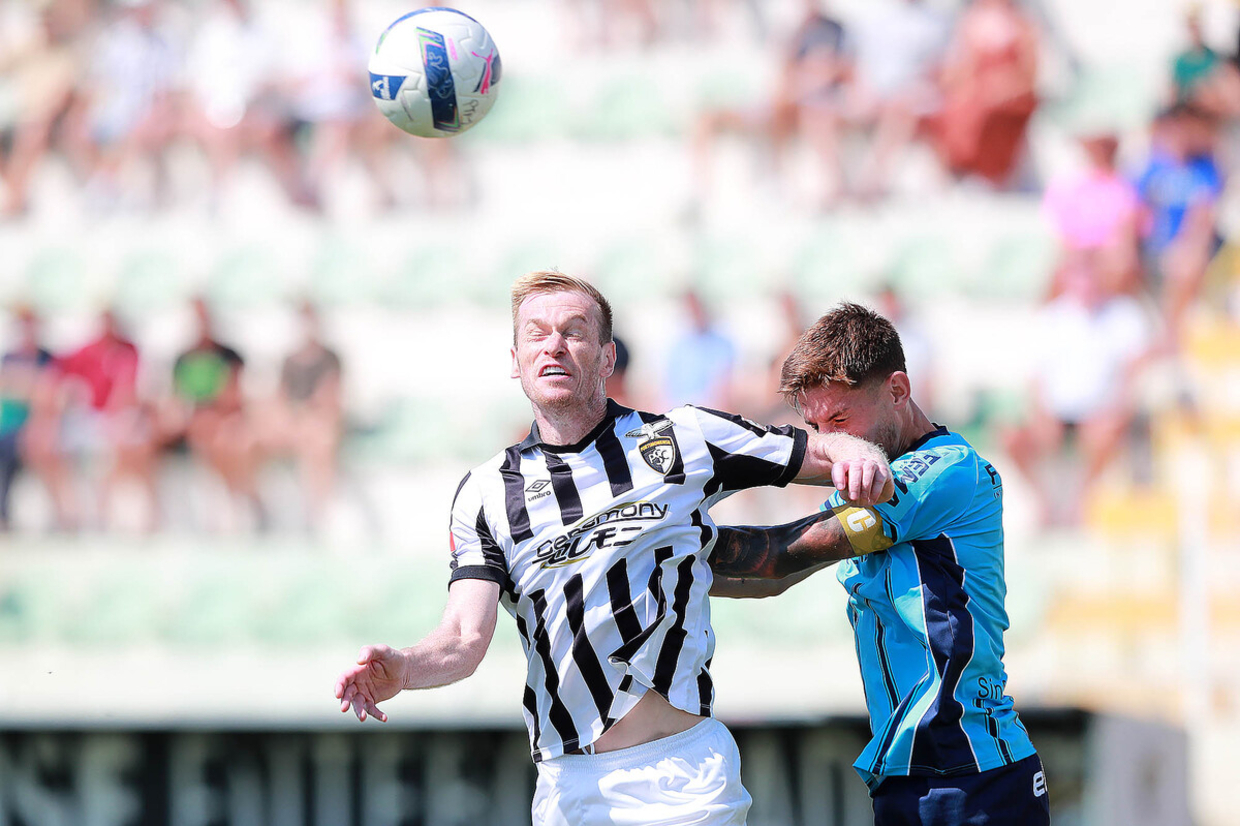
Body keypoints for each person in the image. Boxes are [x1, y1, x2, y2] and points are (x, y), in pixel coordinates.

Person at [334, 271, 894, 826]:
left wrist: (856, 453)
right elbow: (463, 637)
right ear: (515, 359)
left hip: (684, 778)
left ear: (605, 358)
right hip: (568, 787)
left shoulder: (685, 438)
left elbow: (818, 452)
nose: (554, 344)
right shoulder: (485, 493)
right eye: (537, 333)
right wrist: (405, 668)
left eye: (574, 331)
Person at [709, 302, 1047, 826]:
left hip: (975, 773)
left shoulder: (942, 473)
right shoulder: (867, 476)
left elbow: (777, 557)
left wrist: (650, 542)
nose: (831, 444)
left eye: (840, 420)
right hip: (911, 773)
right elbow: (769, 582)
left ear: (897, 391)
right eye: (816, 426)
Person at [256, 300, 343, 531]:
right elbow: (280, 397)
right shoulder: (290, 360)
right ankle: (258, 509)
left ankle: (318, 513)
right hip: (295, 422)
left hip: (315, 423)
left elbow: (329, 399)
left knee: (318, 438)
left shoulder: (330, 358)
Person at [0, 306, 55, 530]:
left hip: (36, 429)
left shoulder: (46, 358)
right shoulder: (8, 357)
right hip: (7, 428)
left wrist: (20, 386)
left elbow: (47, 395)